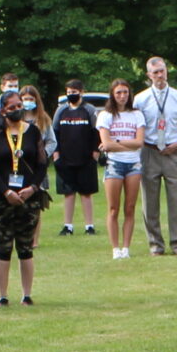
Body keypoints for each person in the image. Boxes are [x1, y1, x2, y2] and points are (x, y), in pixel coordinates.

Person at [0, 83, 51, 305]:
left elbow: (42, 164)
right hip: (1, 198)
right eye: (11, 106)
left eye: (19, 105)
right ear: (3, 110)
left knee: (25, 246)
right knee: (2, 246)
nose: (17, 109)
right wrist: (5, 191)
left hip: (28, 197)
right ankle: (2, 295)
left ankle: (27, 294)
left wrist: (32, 188)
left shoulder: (33, 132)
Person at [135, 56, 177, 256]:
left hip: (174, 153)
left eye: (162, 71)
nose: (160, 75)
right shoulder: (140, 99)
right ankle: (155, 245)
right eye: (156, 72)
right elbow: (136, 126)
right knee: (149, 203)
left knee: (176, 202)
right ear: (149, 75)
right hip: (149, 151)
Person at [49, 78, 103, 237]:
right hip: (65, 159)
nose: (71, 95)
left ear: (81, 92)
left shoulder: (89, 110)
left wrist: (95, 153)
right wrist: (56, 153)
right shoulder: (61, 111)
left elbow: (96, 131)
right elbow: (55, 132)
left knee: (86, 193)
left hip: (86, 158)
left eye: (74, 92)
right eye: (69, 92)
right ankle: (68, 226)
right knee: (68, 193)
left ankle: (89, 226)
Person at [99, 78, 144, 259]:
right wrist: (124, 144)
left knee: (130, 207)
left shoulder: (137, 115)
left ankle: (126, 247)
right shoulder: (105, 115)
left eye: (125, 92)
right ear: (112, 94)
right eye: (118, 92)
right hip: (114, 164)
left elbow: (139, 142)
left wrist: (116, 142)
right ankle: (115, 248)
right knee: (113, 208)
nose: (122, 96)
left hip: (134, 164)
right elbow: (106, 144)